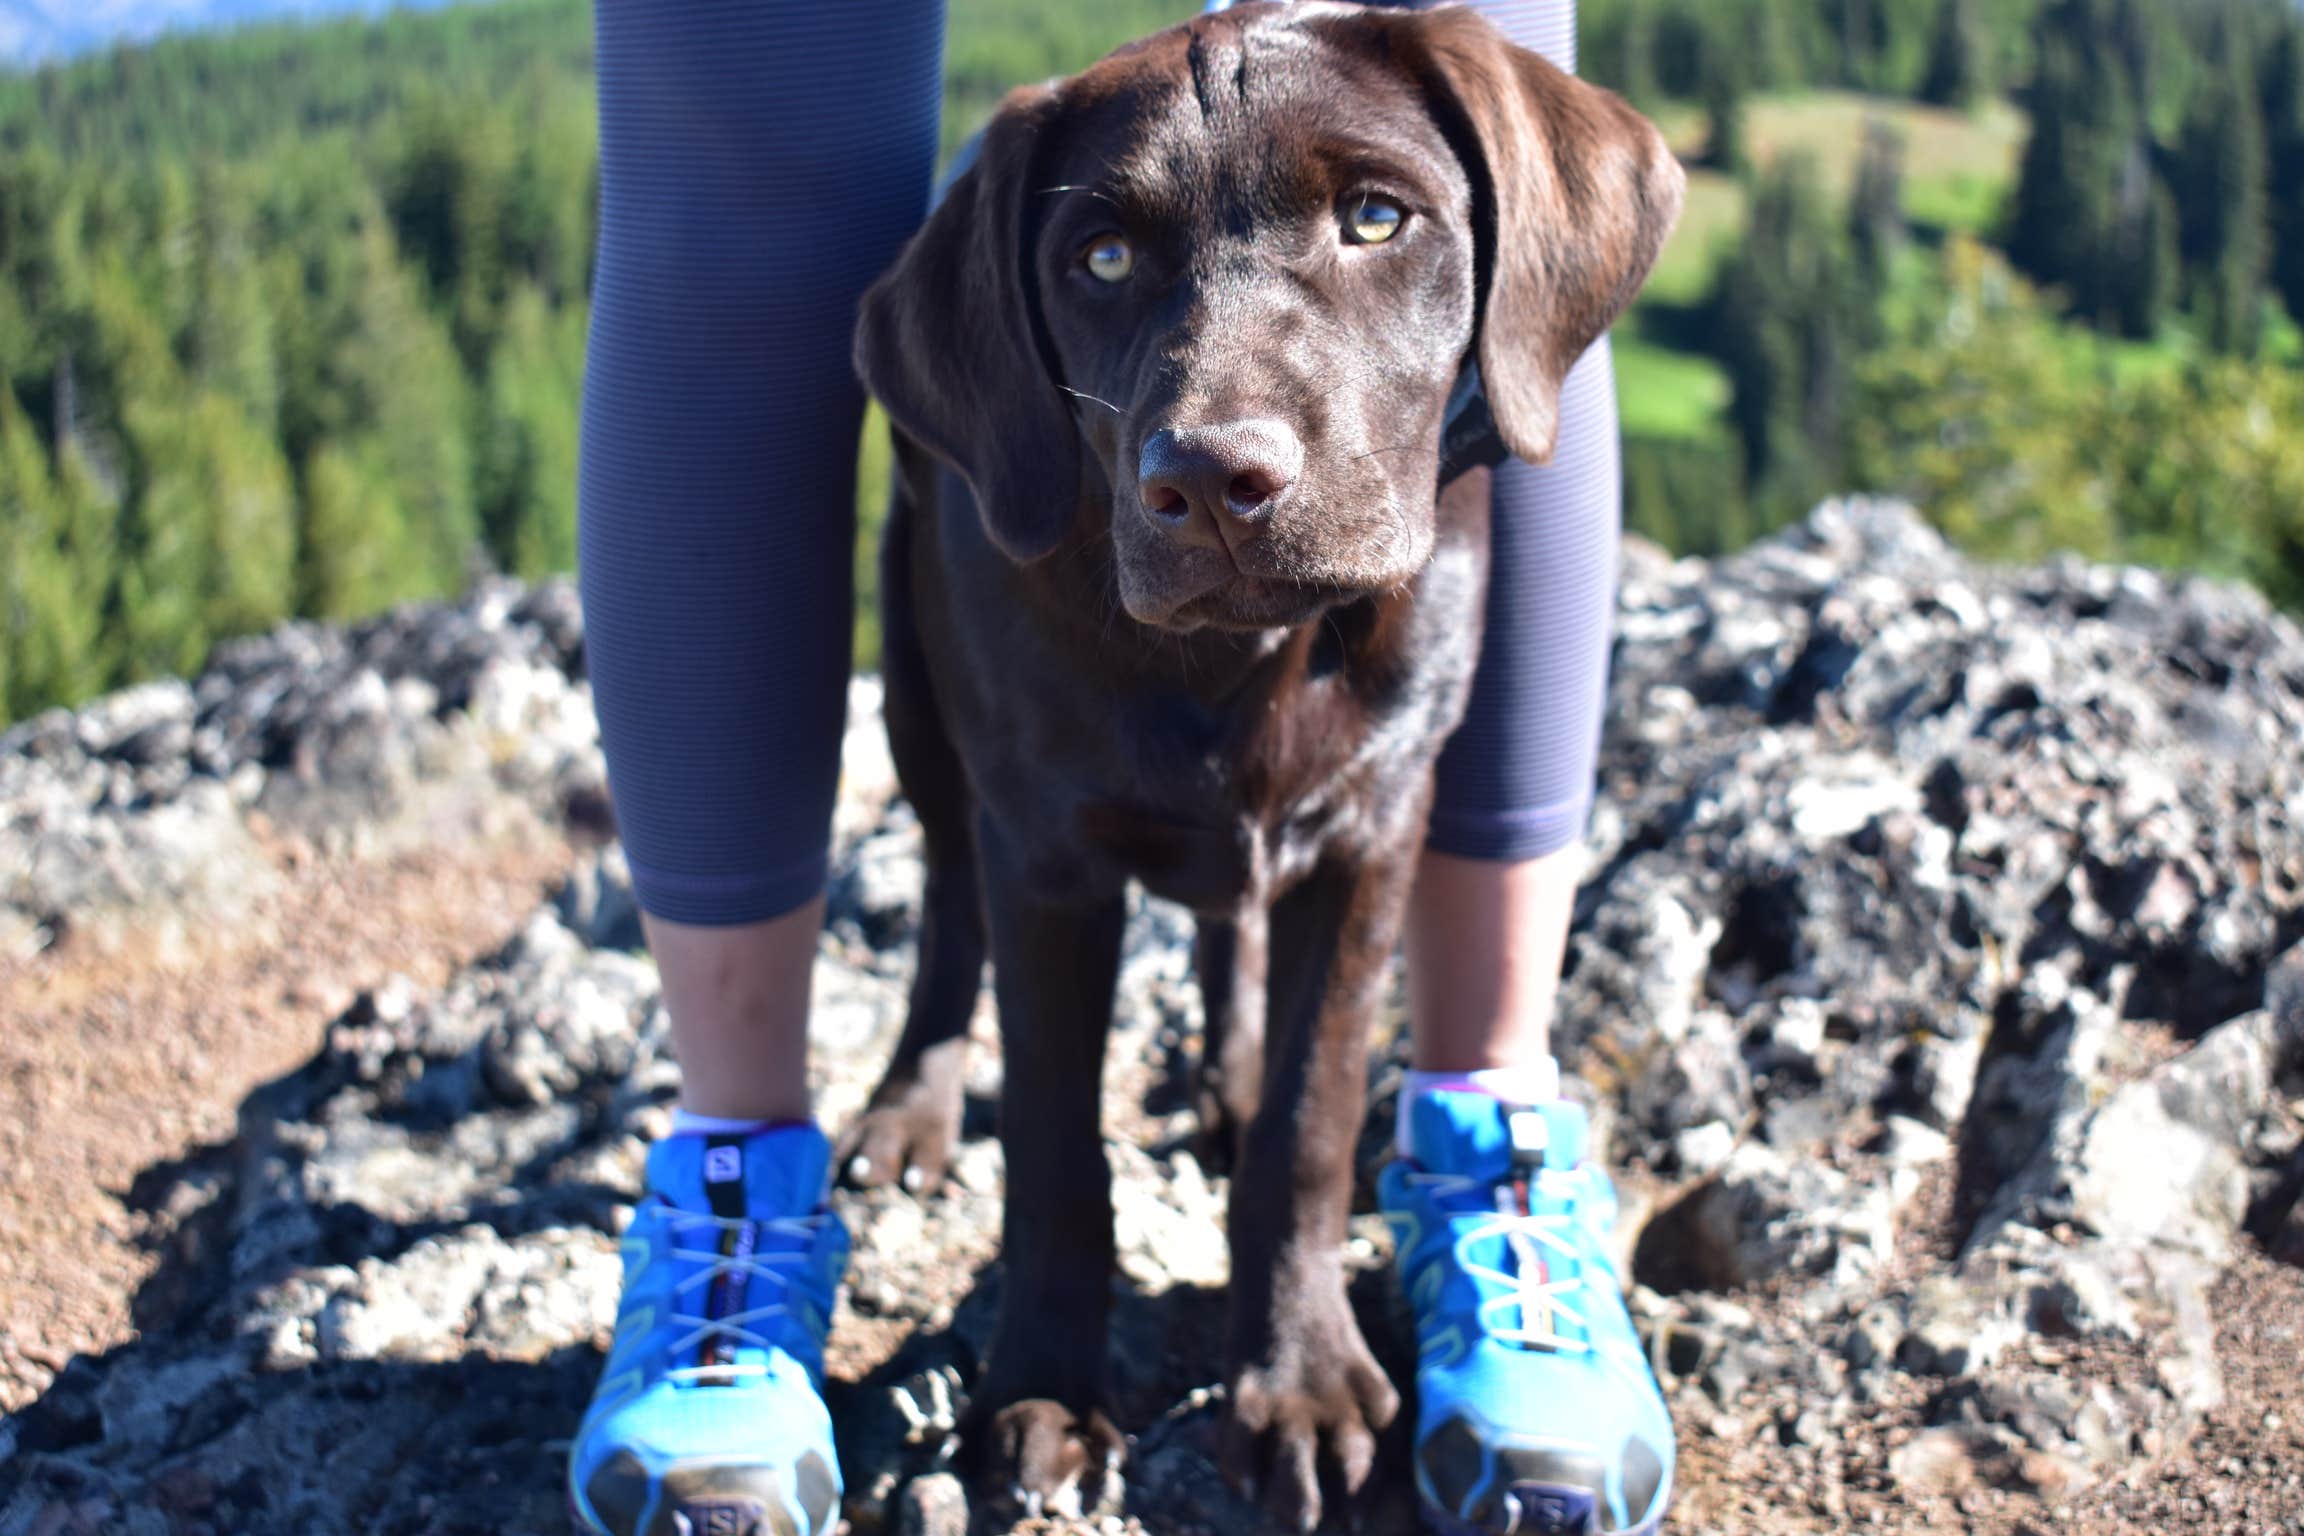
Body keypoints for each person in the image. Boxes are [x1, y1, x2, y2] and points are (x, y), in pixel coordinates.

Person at [565, 2, 1675, 1533]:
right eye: (1102, 256)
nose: (1221, 426)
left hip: (1377, 629)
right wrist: (1051, 1297)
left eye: (1372, 216)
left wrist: (1290, 1271)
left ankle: (1484, 1136)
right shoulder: (1016, 452)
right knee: (755, 117)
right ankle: (747, 1182)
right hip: (1055, 610)